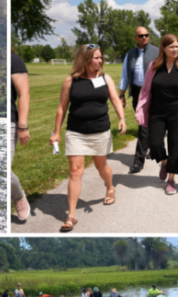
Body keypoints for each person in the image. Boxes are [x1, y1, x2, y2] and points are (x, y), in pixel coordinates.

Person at [50, 44, 126, 232]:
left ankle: (110, 187)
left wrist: (122, 118)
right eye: (96, 58)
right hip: (76, 131)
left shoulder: (105, 78)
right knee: (76, 171)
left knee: (102, 166)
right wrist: (57, 132)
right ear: (85, 59)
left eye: (101, 58)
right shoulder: (70, 81)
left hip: (100, 130)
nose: (100, 61)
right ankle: (71, 215)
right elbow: (62, 108)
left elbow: (115, 99)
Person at [136, 34, 178, 195]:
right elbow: (145, 90)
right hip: (157, 112)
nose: (175, 49)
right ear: (164, 48)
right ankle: (164, 162)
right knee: (155, 143)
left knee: (176, 145)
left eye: (177, 46)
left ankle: (171, 179)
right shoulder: (154, 66)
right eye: (171, 47)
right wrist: (140, 108)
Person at [118, 26, 159, 173]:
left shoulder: (157, 52)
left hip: (154, 93)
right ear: (135, 38)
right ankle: (152, 149)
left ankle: (138, 161)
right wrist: (121, 95)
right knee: (144, 123)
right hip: (137, 93)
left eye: (146, 35)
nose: (144, 38)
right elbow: (125, 75)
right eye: (141, 36)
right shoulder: (130, 54)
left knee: (145, 126)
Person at [10, 45, 31, 221]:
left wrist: (22, 126)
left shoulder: (14, 60)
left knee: (3, 170)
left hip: (8, 121)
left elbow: (24, 93)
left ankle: (18, 196)